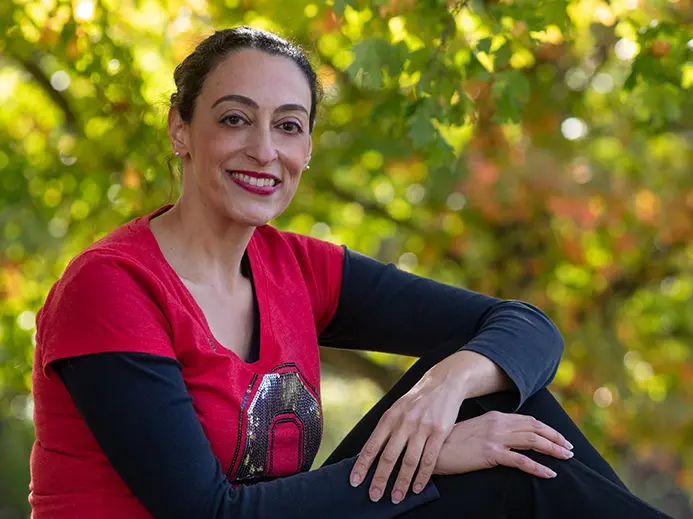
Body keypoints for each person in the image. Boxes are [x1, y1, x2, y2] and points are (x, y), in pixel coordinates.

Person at [28, 26, 672, 519]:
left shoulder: (295, 268)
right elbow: (205, 511)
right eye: (233, 119)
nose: (264, 149)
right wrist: (436, 455)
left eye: (288, 126)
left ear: (306, 150)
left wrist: (446, 386)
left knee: (491, 394)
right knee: (501, 466)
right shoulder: (111, 286)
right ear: (181, 129)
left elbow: (526, 327)